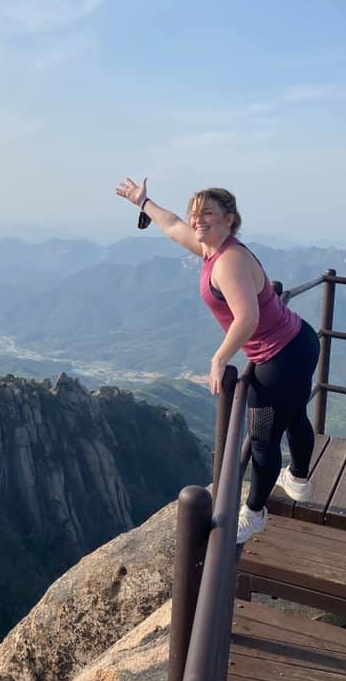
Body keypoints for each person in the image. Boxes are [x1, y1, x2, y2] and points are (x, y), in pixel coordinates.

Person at [115, 178, 320, 544]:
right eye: (197, 214)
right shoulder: (212, 248)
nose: (197, 220)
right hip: (298, 343)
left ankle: (255, 512)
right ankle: (300, 479)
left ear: (230, 219)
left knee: (261, 441)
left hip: (280, 358)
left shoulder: (229, 262)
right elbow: (174, 225)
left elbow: (248, 319)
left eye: (207, 213)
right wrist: (143, 202)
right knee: (295, 416)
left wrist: (219, 357)